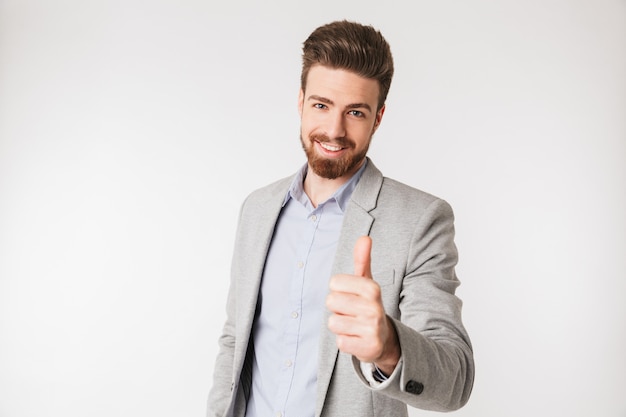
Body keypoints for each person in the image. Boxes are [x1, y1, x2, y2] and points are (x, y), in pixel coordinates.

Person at [207, 20, 474, 417]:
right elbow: (235, 339)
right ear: (300, 101)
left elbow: (456, 380)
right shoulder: (257, 209)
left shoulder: (421, 220)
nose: (334, 130)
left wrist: (389, 347)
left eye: (355, 112)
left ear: (378, 117)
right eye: (321, 105)